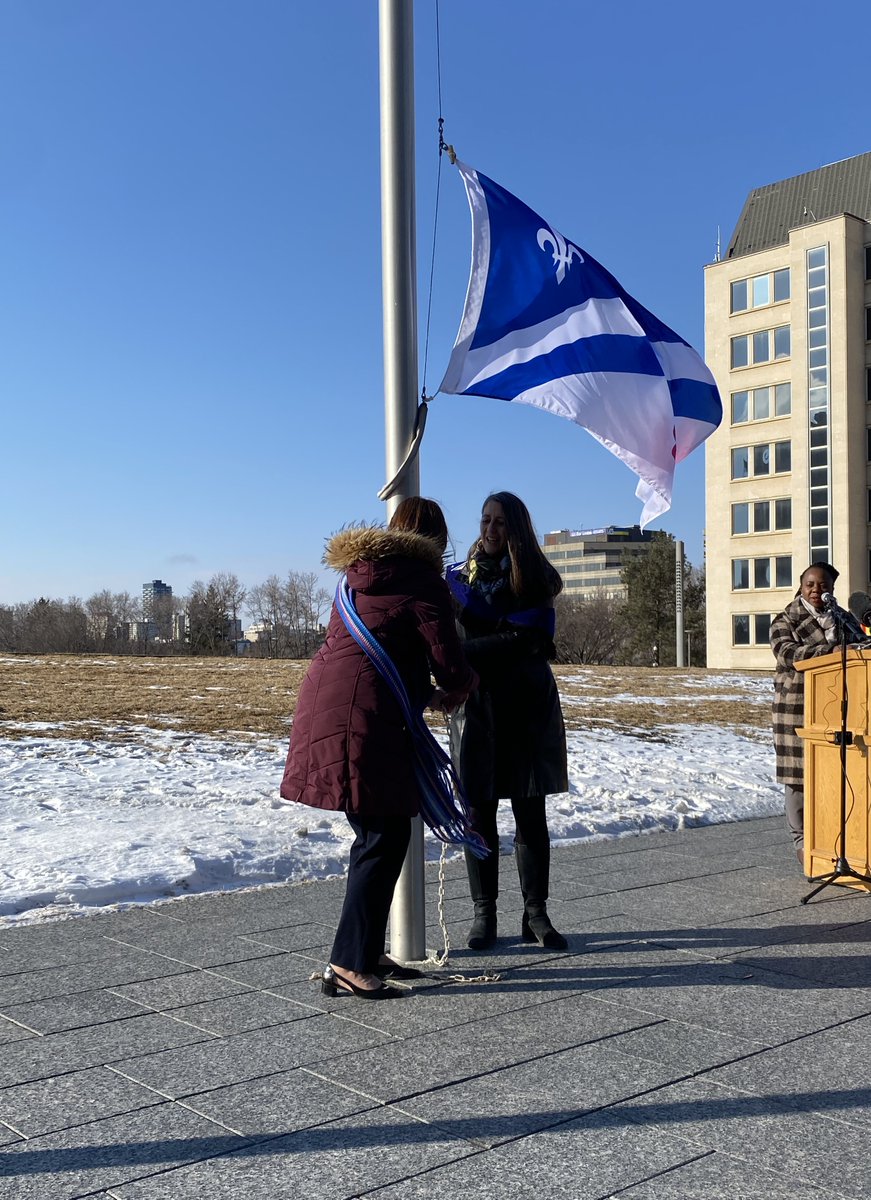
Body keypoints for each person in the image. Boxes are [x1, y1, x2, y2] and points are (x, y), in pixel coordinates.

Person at [280, 498, 478, 1000]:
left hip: (335, 711)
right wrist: (461, 685)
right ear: (435, 541)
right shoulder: (421, 579)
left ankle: (363, 951)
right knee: (380, 837)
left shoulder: (355, 577)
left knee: (379, 834)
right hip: (365, 721)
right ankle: (347, 962)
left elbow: (383, 648)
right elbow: (448, 663)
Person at [446, 491, 568, 951]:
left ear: (515, 528)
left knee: (529, 810)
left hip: (526, 707)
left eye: (499, 522)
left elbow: (525, 639)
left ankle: (535, 913)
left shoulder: (537, 580)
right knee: (479, 812)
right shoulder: (459, 581)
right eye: (485, 521)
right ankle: (485, 914)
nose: (490, 530)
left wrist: (460, 655)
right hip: (476, 707)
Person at [770, 561, 864, 863]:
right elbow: (787, 653)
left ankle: (837, 841)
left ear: (832, 589)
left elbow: (860, 646)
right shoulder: (785, 618)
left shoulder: (842, 617)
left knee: (835, 776)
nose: (815, 590)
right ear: (801, 585)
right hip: (797, 709)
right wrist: (829, 652)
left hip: (840, 709)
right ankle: (802, 843)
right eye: (810, 584)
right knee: (798, 777)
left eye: (823, 585)